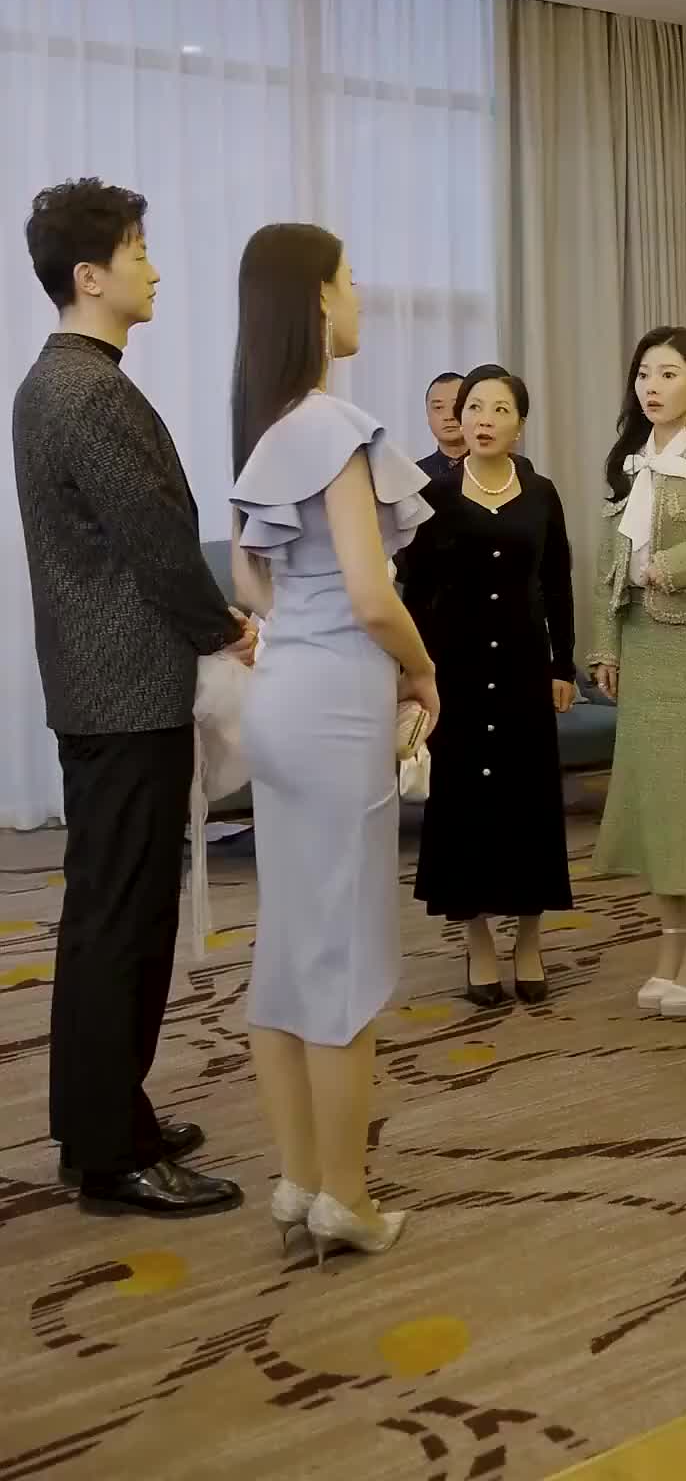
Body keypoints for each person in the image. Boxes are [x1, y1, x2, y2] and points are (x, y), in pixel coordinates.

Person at [12, 177, 254, 1218]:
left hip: (102, 688)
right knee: (123, 919)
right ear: (90, 275)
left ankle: (103, 1122)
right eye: (139, 251)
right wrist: (225, 628)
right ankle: (112, 1153)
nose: (154, 269)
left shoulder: (58, 382)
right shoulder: (89, 391)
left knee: (106, 912)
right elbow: (156, 541)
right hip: (127, 690)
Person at [230, 223, 438, 1262]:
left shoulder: (267, 428)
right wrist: (424, 668)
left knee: (287, 945)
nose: (359, 296)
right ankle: (346, 1198)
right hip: (337, 706)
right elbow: (371, 593)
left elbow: (252, 586)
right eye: (350, 279)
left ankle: (300, 1179)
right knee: (344, 950)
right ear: (318, 297)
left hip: (279, 699)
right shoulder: (335, 427)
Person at [398, 365, 575, 1006]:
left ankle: (529, 940)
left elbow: (557, 582)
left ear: (519, 423)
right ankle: (476, 942)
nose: (483, 420)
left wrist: (563, 665)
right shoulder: (434, 495)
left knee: (530, 803)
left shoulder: (541, 492)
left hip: (525, 667)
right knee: (463, 805)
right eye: (474, 407)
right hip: (457, 672)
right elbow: (415, 592)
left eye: (500, 409)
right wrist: (411, 672)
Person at [590, 328, 686, 1019]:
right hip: (642, 644)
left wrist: (676, 566)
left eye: (669, 374)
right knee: (654, 804)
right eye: (644, 375)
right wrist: (606, 647)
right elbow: (610, 565)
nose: (652, 387)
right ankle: (672, 942)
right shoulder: (630, 462)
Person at [418, 372, 468, 480]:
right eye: (439, 407)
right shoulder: (416, 477)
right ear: (427, 414)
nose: (449, 416)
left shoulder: (498, 468)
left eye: (457, 406)